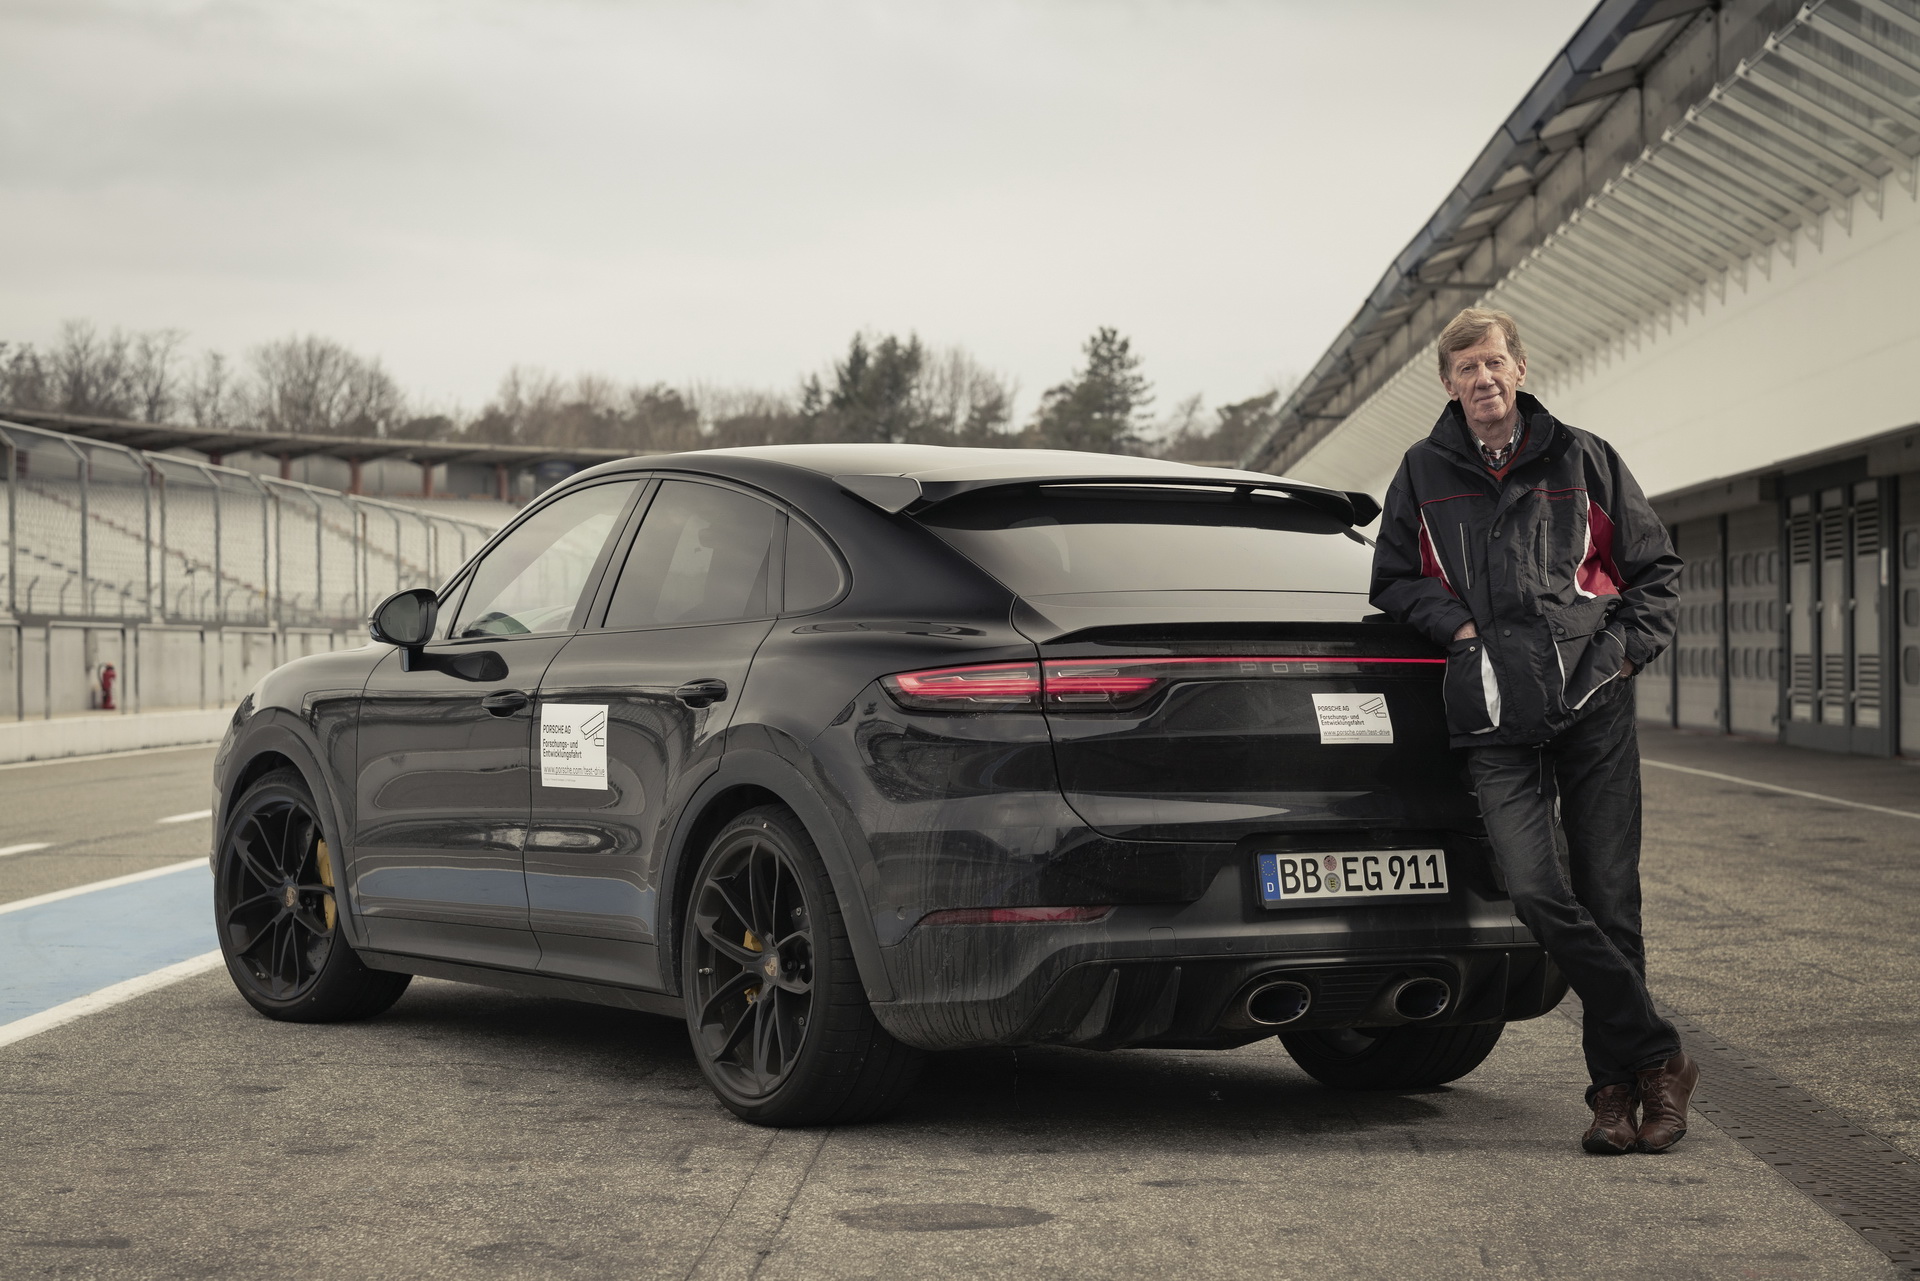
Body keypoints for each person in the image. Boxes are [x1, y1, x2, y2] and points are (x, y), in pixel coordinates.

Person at [1369, 307, 1695, 1154]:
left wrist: (1619, 656)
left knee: (1610, 899)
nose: (1481, 379)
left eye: (1493, 363)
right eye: (1464, 368)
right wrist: (1459, 628)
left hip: (1591, 706)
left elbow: (1655, 571)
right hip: (1492, 710)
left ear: (1520, 367)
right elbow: (1393, 578)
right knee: (1536, 890)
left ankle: (1618, 1093)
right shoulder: (1422, 471)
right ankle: (1660, 1052)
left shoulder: (1582, 457)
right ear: (1448, 385)